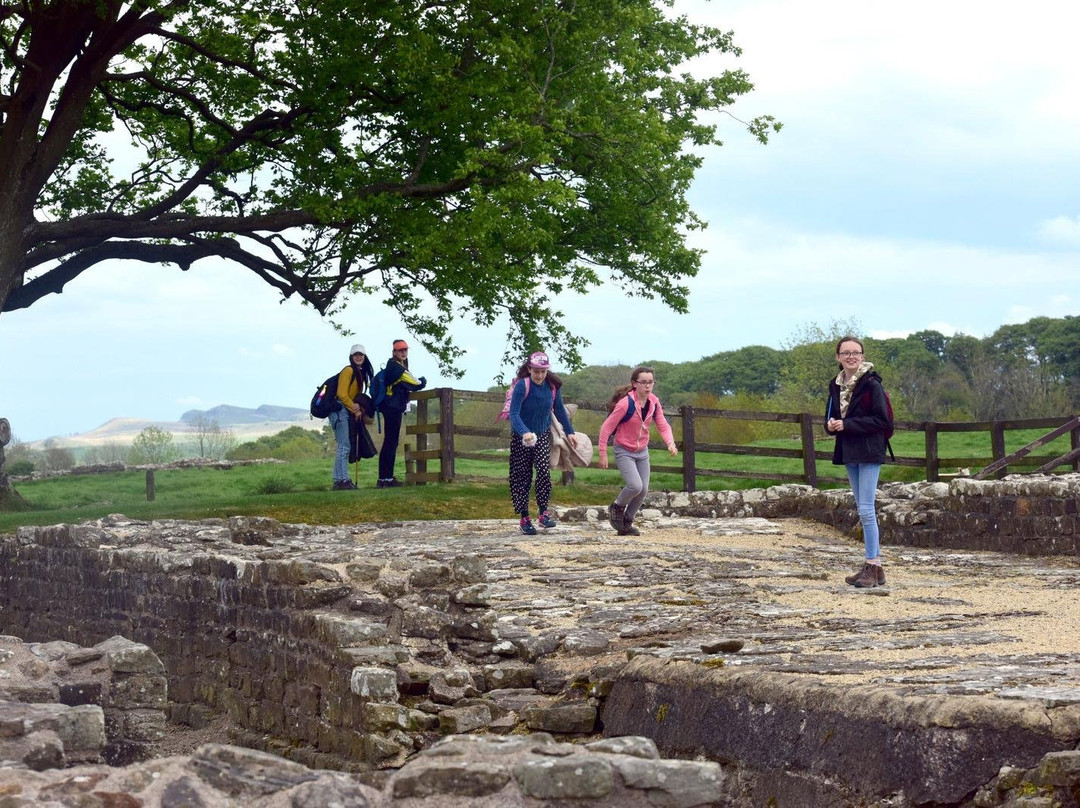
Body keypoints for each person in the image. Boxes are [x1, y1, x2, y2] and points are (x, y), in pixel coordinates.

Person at [825, 336, 892, 588]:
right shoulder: (835, 384)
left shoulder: (871, 384)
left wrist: (847, 424)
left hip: (869, 449)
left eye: (856, 352)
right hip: (849, 450)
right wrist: (831, 425)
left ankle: (872, 564)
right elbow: (831, 415)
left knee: (865, 509)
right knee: (861, 506)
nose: (851, 356)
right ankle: (877, 570)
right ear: (838, 358)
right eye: (846, 353)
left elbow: (882, 420)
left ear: (862, 356)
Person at [597, 366, 678, 535]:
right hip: (623, 450)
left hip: (642, 451)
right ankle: (617, 506)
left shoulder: (654, 402)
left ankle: (626, 523)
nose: (647, 386)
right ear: (635, 384)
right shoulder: (625, 403)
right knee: (635, 486)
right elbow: (606, 428)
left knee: (643, 490)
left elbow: (663, 424)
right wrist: (603, 453)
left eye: (651, 382)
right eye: (643, 382)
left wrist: (670, 443)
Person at [508, 351, 581, 535]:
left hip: (541, 435)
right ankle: (524, 517)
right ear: (530, 369)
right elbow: (514, 414)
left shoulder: (552, 387)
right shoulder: (522, 386)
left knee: (543, 471)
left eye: (543, 371)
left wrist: (570, 432)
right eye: (536, 371)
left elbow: (559, 410)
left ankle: (543, 513)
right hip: (521, 438)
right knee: (522, 476)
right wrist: (524, 432)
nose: (540, 375)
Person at [376, 339, 426, 488]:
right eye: (400, 350)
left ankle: (383, 479)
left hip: (388, 407)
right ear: (394, 352)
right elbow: (417, 383)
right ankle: (387, 479)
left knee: (388, 442)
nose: (403, 352)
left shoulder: (393, 366)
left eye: (405, 350)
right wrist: (424, 379)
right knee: (391, 442)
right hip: (393, 408)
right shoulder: (398, 369)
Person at [329, 344, 373, 490]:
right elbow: (342, 394)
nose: (359, 357)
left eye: (361, 354)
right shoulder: (348, 371)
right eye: (356, 355)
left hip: (341, 410)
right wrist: (355, 409)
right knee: (344, 445)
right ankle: (342, 481)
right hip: (338, 409)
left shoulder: (359, 373)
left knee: (343, 445)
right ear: (351, 357)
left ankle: (338, 480)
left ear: (364, 357)